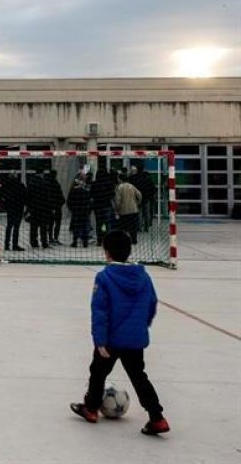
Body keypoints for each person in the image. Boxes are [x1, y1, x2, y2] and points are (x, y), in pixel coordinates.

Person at [69, 230, 169, 436]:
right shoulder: (143, 276)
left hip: (111, 340)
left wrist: (100, 341)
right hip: (135, 339)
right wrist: (143, 325)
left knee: (98, 373)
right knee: (139, 377)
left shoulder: (104, 277)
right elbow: (151, 303)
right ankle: (157, 417)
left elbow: (100, 312)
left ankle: (91, 408)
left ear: (107, 253)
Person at [0, 171, 27, 252]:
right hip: (19, 208)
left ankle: (6, 245)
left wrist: (4, 205)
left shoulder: (5, 185)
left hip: (10, 208)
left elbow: (0, 195)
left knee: (9, 226)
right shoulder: (20, 185)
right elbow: (25, 196)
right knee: (16, 227)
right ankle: (15, 245)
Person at [90, 167, 117, 245]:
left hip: (97, 206)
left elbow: (91, 194)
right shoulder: (109, 183)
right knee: (107, 224)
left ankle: (99, 240)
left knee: (99, 223)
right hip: (106, 205)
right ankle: (107, 240)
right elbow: (113, 194)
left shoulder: (94, 183)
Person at [114, 172, 142, 244]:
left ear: (120, 179)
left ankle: (123, 240)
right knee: (133, 227)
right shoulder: (131, 186)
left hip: (124, 211)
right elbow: (139, 195)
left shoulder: (119, 187)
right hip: (134, 210)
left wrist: (117, 209)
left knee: (122, 227)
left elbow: (118, 200)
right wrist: (137, 203)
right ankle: (134, 240)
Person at [67, 175, 92, 248]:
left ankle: (75, 242)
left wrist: (72, 209)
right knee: (85, 226)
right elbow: (89, 202)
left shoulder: (73, 190)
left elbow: (69, 201)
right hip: (84, 211)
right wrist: (89, 210)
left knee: (76, 227)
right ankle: (85, 242)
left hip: (76, 211)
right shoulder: (86, 190)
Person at [47, 169, 66, 244]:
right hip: (57, 207)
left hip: (50, 207)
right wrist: (60, 203)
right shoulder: (56, 184)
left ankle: (51, 238)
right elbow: (59, 196)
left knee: (51, 224)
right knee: (57, 223)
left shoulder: (47, 183)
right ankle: (55, 238)